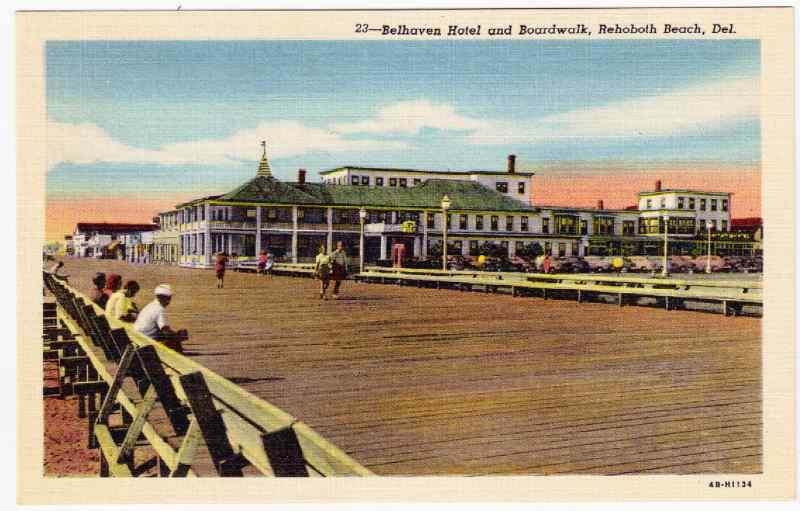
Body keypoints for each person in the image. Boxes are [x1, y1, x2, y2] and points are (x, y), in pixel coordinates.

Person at [133, 284, 187, 352]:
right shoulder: (159, 309)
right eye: (169, 298)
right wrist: (178, 336)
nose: (169, 302)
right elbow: (165, 331)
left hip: (138, 337)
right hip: (145, 342)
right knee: (175, 342)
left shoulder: (150, 305)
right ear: (163, 298)